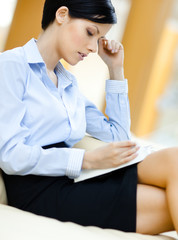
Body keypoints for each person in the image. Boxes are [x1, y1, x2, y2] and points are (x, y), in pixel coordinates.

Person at [0, 0, 177, 235]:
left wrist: (116, 70)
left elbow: (117, 136)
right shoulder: (10, 66)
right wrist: (88, 160)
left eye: (99, 38)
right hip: (40, 186)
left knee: (175, 158)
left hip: (76, 175)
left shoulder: (67, 83)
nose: (94, 48)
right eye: (90, 32)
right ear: (62, 14)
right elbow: (11, 155)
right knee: (165, 204)